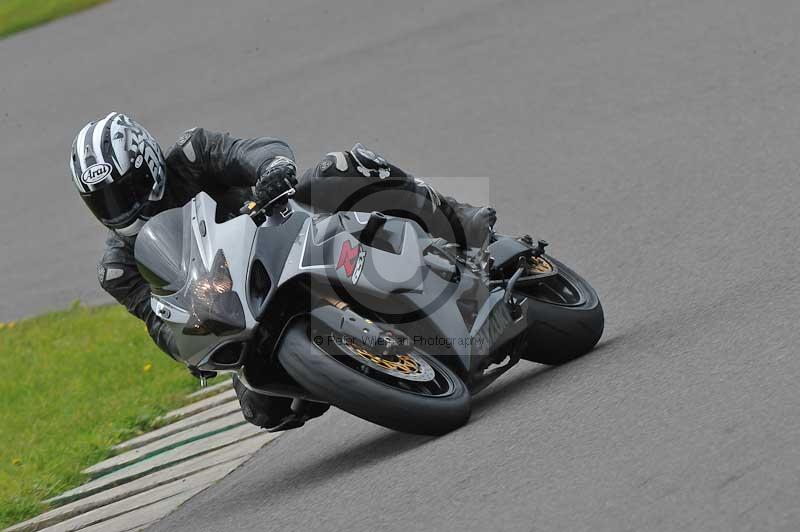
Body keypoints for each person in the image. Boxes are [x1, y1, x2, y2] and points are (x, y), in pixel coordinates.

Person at [69, 112, 496, 430]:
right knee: (264, 409)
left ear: (148, 164)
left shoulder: (192, 155)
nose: (121, 207)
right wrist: (186, 342)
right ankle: (356, 370)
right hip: (235, 307)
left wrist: (271, 170)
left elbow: (250, 151)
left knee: (340, 168)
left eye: (124, 190)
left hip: (283, 228)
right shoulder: (118, 269)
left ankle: (455, 217)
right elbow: (156, 320)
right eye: (104, 201)